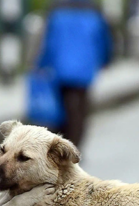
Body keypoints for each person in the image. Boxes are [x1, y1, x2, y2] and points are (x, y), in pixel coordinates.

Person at [36, 0, 112, 148]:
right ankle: (74, 146)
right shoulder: (94, 10)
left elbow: (48, 42)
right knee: (80, 109)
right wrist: (105, 60)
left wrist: (42, 64)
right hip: (85, 67)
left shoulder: (56, 9)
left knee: (61, 109)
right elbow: (104, 40)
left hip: (60, 67)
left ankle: (60, 144)